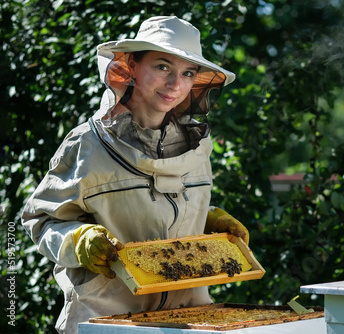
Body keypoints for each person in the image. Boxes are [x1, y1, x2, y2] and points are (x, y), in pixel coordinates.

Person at [22, 16, 249, 334]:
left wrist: (206, 221)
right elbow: (41, 220)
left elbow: (158, 212)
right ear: (130, 67)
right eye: (163, 66)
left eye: (187, 73)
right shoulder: (86, 144)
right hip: (104, 322)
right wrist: (78, 241)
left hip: (189, 320)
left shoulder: (198, 148)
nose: (175, 84)